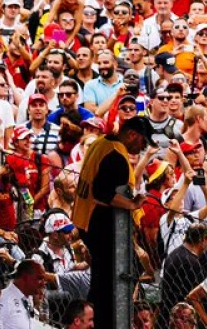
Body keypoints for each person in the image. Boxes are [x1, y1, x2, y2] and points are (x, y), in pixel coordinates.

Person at [74, 115, 151, 329]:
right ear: (131, 134)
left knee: (102, 281)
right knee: (107, 285)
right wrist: (132, 204)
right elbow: (102, 193)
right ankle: (100, 322)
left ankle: (91, 320)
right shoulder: (117, 155)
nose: (143, 147)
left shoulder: (102, 141)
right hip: (98, 224)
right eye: (143, 141)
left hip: (85, 219)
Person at [0, 261, 44, 329]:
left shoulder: (28, 298)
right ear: (25, 277)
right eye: (40, 278)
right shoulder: (3, 299)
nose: (43, 284)